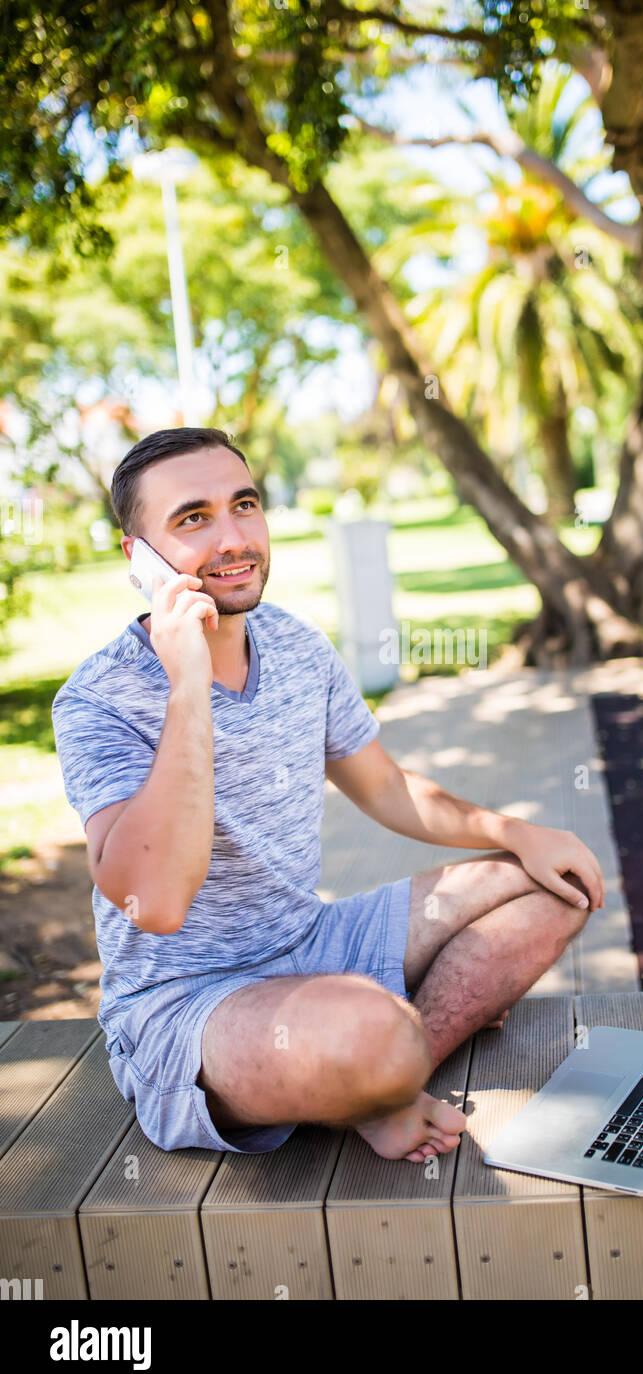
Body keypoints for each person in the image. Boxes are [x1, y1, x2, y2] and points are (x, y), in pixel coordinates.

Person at [52, 427, 605, 1162]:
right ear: (139, 559)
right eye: (193, 519)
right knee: (371, 1030)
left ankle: (383, 1078)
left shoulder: (296, 645)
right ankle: (374, 1063)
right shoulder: (98, 699)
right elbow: (155, 901)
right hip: (186, 1006)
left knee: (557, 885)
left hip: (312, 944)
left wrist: (515, 832)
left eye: (244, 505)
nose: (233, 537)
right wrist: (188, 684)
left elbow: (384, 786)